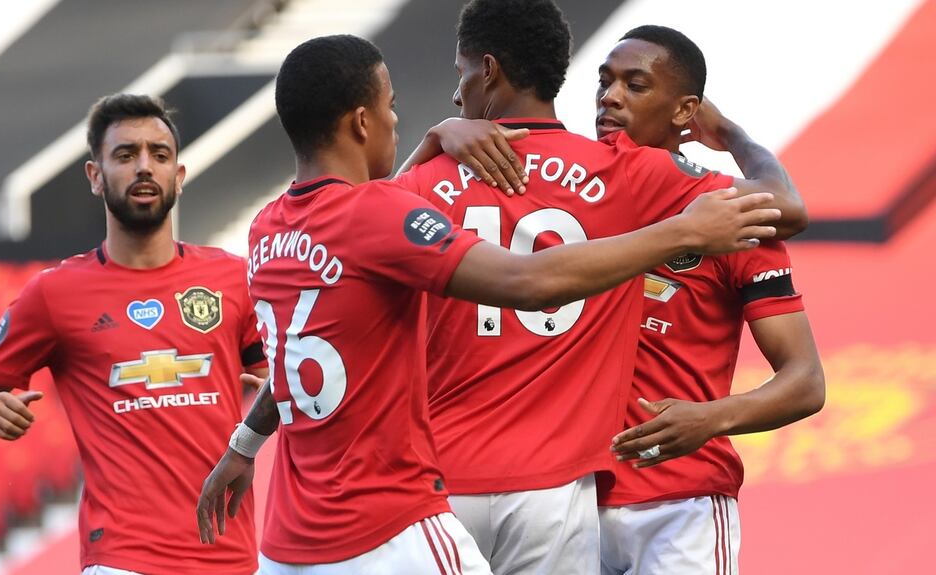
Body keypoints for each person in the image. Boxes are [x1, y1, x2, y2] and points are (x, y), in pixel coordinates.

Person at [195, 34, 779, 575]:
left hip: (308, 529)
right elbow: (529, 282)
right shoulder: (628, 174)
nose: (405, 119)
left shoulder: (268, 230)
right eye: (393, 107)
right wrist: (685, 228)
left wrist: (244, 444)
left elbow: (310, 329)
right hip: (428, 513)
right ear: (362, 121)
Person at [412, 21, 824, 575]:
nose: (609, 96)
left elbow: (805, 381)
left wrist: (711, 419)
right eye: (604, 80)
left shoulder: (728, 222)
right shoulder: (573, 183)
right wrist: (449, 132)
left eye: (635, 84)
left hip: (679, 499)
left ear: (686, 112)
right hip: (571, 493)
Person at [0, 94, 267, 575]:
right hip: (122, 559)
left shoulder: (232, 279)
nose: (144, 167)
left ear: (178, 177)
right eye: (125, 154)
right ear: (95, 177)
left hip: (230, 557)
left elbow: (279, 385)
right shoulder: (54, 295)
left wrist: (267, 393)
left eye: (159, 155)